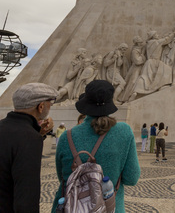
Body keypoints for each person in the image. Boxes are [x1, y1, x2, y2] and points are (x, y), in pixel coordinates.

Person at [0, 83, 57, 212]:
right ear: (40, 107)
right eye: (50, 104)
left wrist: (38, 134)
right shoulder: (29, 137)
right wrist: (35, 136)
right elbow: (27, 195)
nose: (50, 108)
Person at [53, 80, 140, 212]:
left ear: (86, 102)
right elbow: (131, 178)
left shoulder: (67, 136)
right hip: (110, 208)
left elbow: (64, 178)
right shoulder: (124, 132)